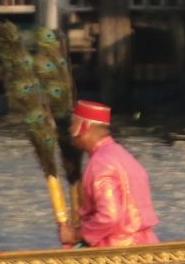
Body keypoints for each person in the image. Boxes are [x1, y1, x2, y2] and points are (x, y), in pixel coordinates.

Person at [59, 100, 160, 248]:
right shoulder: (123, 155)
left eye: (73, 124)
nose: (70, 130)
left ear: (84, 126)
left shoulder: (100, 163)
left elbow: (110, 216)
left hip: (116, 250)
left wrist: (76, 234)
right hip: (146, 244)